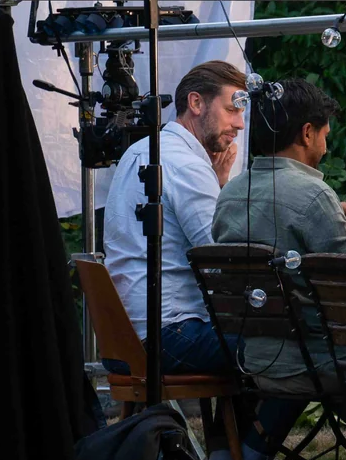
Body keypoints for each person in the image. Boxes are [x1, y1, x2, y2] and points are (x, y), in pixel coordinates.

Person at [210, 78, 346, 460]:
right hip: (316, 360)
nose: (327, 142)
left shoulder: (231, 193)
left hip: (254, 358)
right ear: (307, 132)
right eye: (325, 132)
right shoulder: (312, 194)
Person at [101, 60, 247, 373]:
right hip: (167, 334)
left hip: (123, 338)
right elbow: (223, 262)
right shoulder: (187, 166)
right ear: (196, 103)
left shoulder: (141, 149)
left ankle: (242, 424)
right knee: (285, 348)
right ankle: (254, 426)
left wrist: (218, 183)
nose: (240, 124)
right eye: (232, 109)